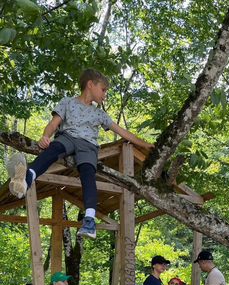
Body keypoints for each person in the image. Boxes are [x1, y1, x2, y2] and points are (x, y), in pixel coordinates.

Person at [6, 68, 153, 239]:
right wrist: (45, 136)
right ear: (90, 85)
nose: (105, 95)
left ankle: (89, 221)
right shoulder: (67, 102)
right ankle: (26, 179)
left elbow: (123, 132)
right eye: (103, 90)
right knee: (52, 150)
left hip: (88, 145)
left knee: (88, 173)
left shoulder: (99, 113)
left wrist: (146, 145)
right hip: (67, 136)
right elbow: (53, 124)